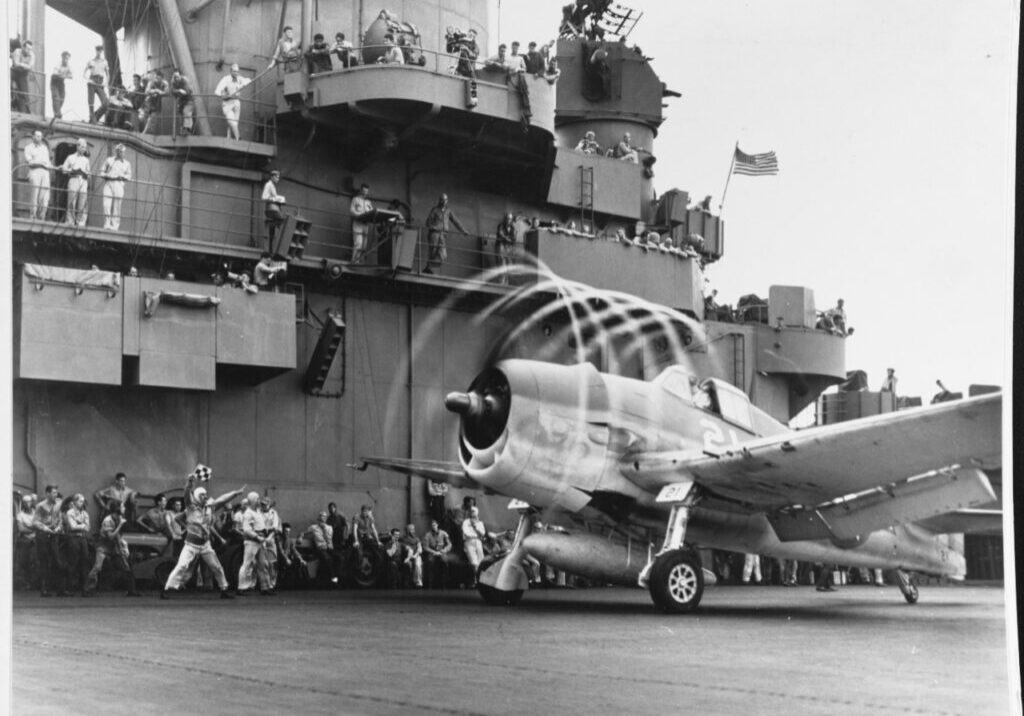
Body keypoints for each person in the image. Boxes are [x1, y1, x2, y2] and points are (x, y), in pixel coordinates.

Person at [161, 469, 245, 599]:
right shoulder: (190, 507)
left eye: (206, 495)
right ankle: (167, 589)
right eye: (202, 495)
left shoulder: (209, 507)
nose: (205, 497)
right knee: (182, 565)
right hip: (191, 544)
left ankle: (224, 589)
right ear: (196, 497)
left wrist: (235, 493)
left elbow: (222, 499)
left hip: (205, 544)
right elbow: (186, 493)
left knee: (216, 567)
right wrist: (190, 482)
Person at [85, 500, 141, 596]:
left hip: (114, 546)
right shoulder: (108, 520)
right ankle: (87, 590)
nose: (124, 508)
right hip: (103, 545)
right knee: (98, 567)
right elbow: (110, 536)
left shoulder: (119, 518)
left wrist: (124, 547)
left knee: (126, 567)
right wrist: (120, 525)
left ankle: (132, 590)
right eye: (122, 507)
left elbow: (119, 536)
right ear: (117, 509)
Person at [33, 485, 69, 596]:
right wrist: (46, 529)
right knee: (44, 562)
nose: (56, 495)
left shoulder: (57, 505)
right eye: (53, 493)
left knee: (57, 561)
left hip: (54, 536)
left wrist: (58, 527)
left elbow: (59, 520)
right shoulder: (40, 506)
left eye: (56, 493)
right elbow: (35, 522)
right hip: (43, 536)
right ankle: (44, 590)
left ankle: (61, 590)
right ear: (47, 493)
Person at [237, 491, 274, 595]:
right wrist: (257, 537)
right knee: (247, 564)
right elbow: (247, 529)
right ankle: (241, 587)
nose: (259, 501)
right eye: (257, 499)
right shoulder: (248, 513)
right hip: (251, 542)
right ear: (253, 501)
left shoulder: (257, 511)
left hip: (260, 541)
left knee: (263, 564)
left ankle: (265, 587)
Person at [423, 193, 468, 274]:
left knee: (443, 254)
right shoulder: (435, 210)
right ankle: (428, 268)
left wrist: (463, 230)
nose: (443, 201)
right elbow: (428, 222)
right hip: (435, 233)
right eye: (441, 200)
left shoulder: (448, 211)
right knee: (433, 250)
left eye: (445, 200)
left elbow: (455, 221)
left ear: (447, 201)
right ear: (439, 200)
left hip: (443, 235)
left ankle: (430, 267)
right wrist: (433, 227)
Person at [63, 493, 92, 596]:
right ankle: (69, 589)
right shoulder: (70, 512)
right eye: (80, 501)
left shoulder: (85, 513)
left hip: (82, 538)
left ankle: (85, 589)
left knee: (85, 562)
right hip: (73, 538)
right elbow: (72, 526)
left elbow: (88, 528)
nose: (82, 503)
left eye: (83, 501)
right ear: (74, 502)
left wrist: (80, 524)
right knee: (72, 562)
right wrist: (82, 524)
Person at [214, 63, 251, 140]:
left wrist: (243, 84)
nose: (236, 73)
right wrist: (227, 95)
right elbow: (217, 92)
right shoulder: (226, 79)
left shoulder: (239, 78)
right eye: (234, 71)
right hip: (227, 104)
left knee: (235, 123)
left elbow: (248, 80)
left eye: (237, 71)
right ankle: (239, 138)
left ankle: (229, 137)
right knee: (232, 121)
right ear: (230, 71)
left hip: (236, 103)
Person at [100, 143, 131, 231]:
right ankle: (107, 223)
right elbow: (101, 172)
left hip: (119, 184)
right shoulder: (109, 160)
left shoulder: (127, 164)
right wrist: (107, 175)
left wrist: (122, 177)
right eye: (119, 151)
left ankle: (115, 225)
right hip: (109, 183)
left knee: (117, 205)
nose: (120, 153)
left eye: (122, 152)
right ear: (116, 151)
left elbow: (129, 176)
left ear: (124, 153)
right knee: (106, 204)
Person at [60, 139, 91, 228]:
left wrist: (86, 174)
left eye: (85, 147)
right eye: (82, 147)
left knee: (83, 202)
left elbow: (89, 173)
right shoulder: (70, 157)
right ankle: (70, 221)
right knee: (71, 201)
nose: (83, 149)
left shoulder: (86, 160)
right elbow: (64, 169)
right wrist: (72, 170)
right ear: (77, 147)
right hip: (73, 179)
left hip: (83, 181)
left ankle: (80, 222)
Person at [23, 130, 52, 220]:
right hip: (35, 171)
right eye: (37, 136)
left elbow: (48, 162)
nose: (39, 138)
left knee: (44, 197)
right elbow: (30, 162)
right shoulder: (28, 148)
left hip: (45, 173)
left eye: (40, 136)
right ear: (33, 137)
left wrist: (53, 166)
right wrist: (41, 163)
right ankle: (33, 217)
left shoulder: (44, 148)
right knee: (34, 195)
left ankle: (41, 217)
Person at [308, 511, 338, 586]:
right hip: (320, 548)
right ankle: (333, 580)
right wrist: (300, 536)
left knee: (339, 558)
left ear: (326, 519)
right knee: (327, 559)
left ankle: (335, 579)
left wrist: (324, 529)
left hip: (329, 548)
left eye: (324, 517)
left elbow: (329, 539)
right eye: (321, 517)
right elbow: (305, 534)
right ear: (318, 519)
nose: (322, 519)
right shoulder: (313, 527)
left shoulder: (329, 528)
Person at [422, 519, 452, 589]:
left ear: (437, 525)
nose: (433, 527)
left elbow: (449, 544)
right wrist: (433, 552)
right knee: (430, 562)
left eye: (434, 525)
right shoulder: (427, 535)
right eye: (432, 525)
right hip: (432, 552)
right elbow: (425, 547)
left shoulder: (443, 533)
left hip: (442, 552)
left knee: (445, 562)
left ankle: (444, 583)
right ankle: (430, 583)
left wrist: (444, 550)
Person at [461, 507, 488, 586]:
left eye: (474, 511)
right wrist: (475, 535)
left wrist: (476, 527)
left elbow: (483, 533)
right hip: (469, 542)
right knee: (473, 562)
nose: (472, 513)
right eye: (471, 511)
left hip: (478, 542)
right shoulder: (466, 522)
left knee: (481, 561)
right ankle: (476, 580)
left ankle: (481, 580)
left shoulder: (480, 523)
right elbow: (466, 532)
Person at [83, 45, 109, 123]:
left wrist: (106, 82)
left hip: (100, 82)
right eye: (98, 50)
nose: (99, 52)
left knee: (106, 103)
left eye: (100, 50)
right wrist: (88, 80)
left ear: (102, 51)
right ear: (95, 51)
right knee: (91, 103)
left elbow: (108, 74)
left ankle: (96, 116)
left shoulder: (104, 62)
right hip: (92, 81)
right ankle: (92, 118)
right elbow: (84, 74)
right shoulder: (91, 61)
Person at [349, 183, 373, 263]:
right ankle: (354, 261)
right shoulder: (355, 199)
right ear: (360, 190)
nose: (365, 193)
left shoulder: (368, 202)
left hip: (365, 225)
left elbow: (372, 212)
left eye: (366, 191)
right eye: (363, 191)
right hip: (358, 223)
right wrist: (360, 215)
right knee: (358, 243)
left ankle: (359, 261)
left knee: (364, 246)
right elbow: (352, 211)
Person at [262, 170, 286, 248]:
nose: (278, 179)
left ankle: (270, 247)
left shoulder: (272, 185)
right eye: (277, 177)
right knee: (282, 222)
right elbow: (264, 197)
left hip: (274, 209)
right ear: (272, 177)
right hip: (271, 210)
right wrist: (274, 199)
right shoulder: (268, 185)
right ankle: (282, 243)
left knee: (273, 229)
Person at [140, 70, 168, 134]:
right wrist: (156, 90)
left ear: (162, 78)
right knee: (143, 119)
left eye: (158, 78)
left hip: (156, 106)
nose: (156, 79)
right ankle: (141, 134)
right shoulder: (151, 83)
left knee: (152, 122)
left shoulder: (164, 83)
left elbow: (167, 92)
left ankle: (144, 136)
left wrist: (161, 92)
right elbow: (147, 91)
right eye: (156, 78)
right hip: (148, 105)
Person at [11, 40, 36, 113]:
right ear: (23, 47)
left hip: (23, 74)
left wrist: (21, 64)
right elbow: (16, 64)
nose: (29, 51)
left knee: (24, 93)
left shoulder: (32, 55)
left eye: (30, 49)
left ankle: (23, 109)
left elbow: (31, 67)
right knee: (7, 84)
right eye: (28, 49)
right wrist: (25, 66)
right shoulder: (17, 51)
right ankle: (9, 101)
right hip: (14, 72)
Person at [170, 69, 196, 136]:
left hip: (189, 100)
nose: (176, 78)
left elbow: (186, 92)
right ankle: (182, 129)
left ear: (180, 76)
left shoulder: (185, 80)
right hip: (181, 101)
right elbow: (172, 91)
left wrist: (178, 92)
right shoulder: (173, 82)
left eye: (177, 76)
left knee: (186, 112)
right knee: (181, 115)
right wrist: (179, 90)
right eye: (175, 77)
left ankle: (187, 130)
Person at [399, 523, 424, 588]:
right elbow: (402, 545)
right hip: (407, 556)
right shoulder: (402, 539)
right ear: (407, 530)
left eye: (413, 529)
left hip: (416, 555)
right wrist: (408, 553)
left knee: (417, 565)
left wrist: (415, 555)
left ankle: (418, 583)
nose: (413, 531)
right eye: (411, 529)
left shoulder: (417, 539)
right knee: (407, 565)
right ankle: (407, 583)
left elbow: (420, 548)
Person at [495, 212, 517, 285]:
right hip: (501, 246)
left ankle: (506, 284)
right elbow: (500, 233)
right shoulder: (501, 225)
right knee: (502, 266)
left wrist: (508, 239)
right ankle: (501, 284)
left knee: (508, 267)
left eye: (510, 219)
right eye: (507, 218)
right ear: (505, 219)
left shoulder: (513, 227)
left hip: (508, 248)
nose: (508, 220)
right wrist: (507, 239)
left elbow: (514, 237)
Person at [50, 50, 73, 118]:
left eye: (68, 59)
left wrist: (63, 75)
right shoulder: (58, 64)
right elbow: (55, 73)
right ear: (62, 58)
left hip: (61, 82)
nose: (66, 60)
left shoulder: (68, 66)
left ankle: (57, 112)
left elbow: (71, 76)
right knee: (56, 97)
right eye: (65, 58)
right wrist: (65, 75)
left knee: (62, 98)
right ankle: (57, 114)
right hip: (54, 82)